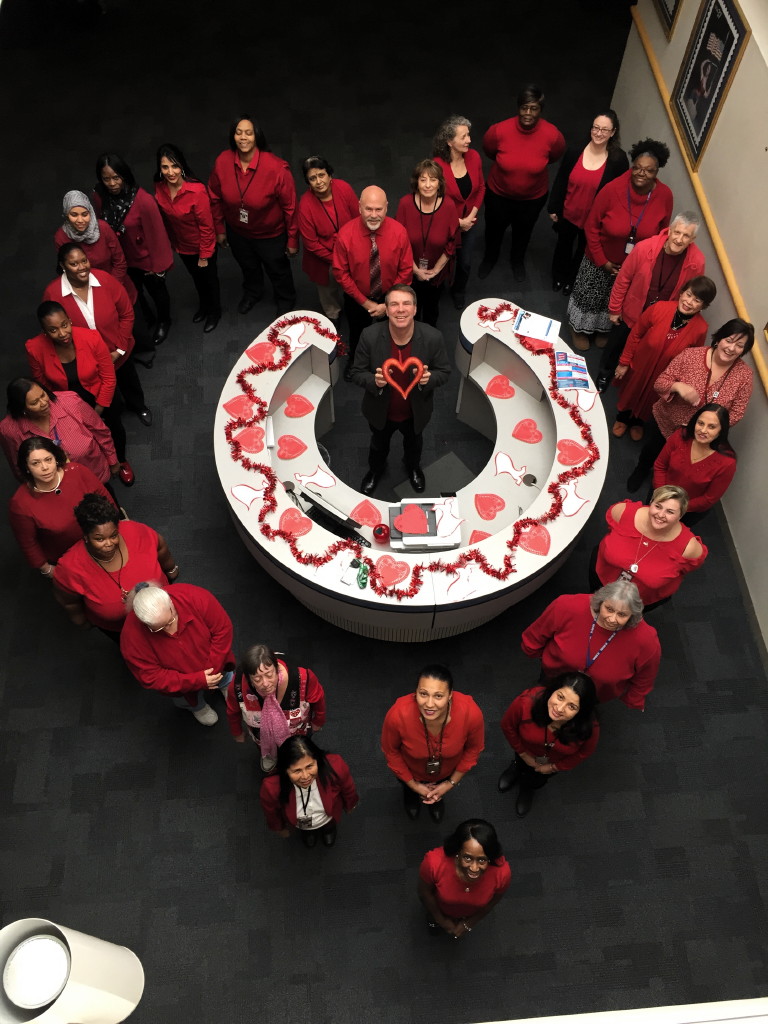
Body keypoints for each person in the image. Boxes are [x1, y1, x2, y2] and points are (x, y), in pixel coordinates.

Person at [567, 138, 673, 351]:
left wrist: (638, 265)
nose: (641, 174)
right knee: (590, 295)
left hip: (632, 265)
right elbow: (591, 226)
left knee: (615, 299)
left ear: (657, 172)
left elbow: (662, 234)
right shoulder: (612, 189)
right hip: (600, 258)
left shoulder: (664, 196)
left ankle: (601, 329)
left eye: (649, 170)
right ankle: (577, 328)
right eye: (637, 168)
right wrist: (602, 261)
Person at [627, 318, 755, 492]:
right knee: (651, 451)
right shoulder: (691, 355)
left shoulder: (744, 376)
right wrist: (678, 387)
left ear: (744, 351)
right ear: (719, 339)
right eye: (729, 340)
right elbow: (660, 383)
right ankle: (641, 470)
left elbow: (737, 412)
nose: (732, 348)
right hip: (667, 422)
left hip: (698, 437)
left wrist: (711, 427)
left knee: (677, 468)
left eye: (740, 345)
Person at [350, 285, 451, 495]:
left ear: (415, 309)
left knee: (414, 445)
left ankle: (413, 468)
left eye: (406, 303)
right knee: (378, 445)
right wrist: (373, 381)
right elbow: (356, 372)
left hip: (416, 412)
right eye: (394, 304)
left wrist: (429, 379)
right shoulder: (369, 336)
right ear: (386, 310)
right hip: (380, 411)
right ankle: (375, 471)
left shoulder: (433, 337)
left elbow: (444, 372)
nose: (400, 309)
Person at [25, 301, 134, 486]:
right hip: (67, 405)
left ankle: (120, 461)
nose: (62, 333)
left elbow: (108, 376)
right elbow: (42, 385)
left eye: (64, 325)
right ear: (44, 331)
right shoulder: (34, 348)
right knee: (77, 443)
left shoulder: (91, 337)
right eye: (53, 330)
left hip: (100, 396)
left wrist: (98, 410)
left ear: (69, 320)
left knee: (113, 428)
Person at [43, 244, 152, 425]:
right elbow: (51, 330)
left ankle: (139, 407)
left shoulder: (105, 280)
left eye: (84, 261)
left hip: (118, 350)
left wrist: (119, 350)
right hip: (88, 361)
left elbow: (126, 314)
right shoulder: (53, 294)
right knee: (102, 394)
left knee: (129, 381)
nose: (82, 267)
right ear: (63, 266)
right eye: (74, 264)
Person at [597, 213, 706, 391]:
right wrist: (615, 308)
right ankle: (604, 374)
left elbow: (692, 294)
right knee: (615, 346)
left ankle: (626, 384)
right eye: (677, 232)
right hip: (632, 311)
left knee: (643, 353)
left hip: (660, 321)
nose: (679, 239)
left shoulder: (697, 262)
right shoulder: (644, 248)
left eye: (686, 236)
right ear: (669, 230)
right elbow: (623, 278)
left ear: (692, 239)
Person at [208, 114, 298, 317]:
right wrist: (220, 228)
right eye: (238, 132)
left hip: (271, 234)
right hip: (238, 232)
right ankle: (253, 292)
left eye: (248, 133)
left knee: (278, 270)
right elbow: (214, 196)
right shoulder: (223, 161)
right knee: (248, 267)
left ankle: (285, 299)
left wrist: (292, 238)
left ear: (257, 136)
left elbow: (290, 208)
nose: (243, 137)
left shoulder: (277, 169)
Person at [520, 581, 661, 709]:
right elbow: (536, 635)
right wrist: (539, 656)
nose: (612, 619)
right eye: (609, 609)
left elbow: (645, 676)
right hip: (552, 679)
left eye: (622, 615)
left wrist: (634, 699)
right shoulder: (567, 605)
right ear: (600, 602)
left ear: (632, 615)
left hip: (593, 695)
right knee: (539, 706)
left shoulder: (646, 639)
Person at [54, 494, 177, 639]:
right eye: (99, 539)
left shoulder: (135, 531)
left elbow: (161, 547)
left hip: (162, 613)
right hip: (121, 630)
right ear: (86, 537)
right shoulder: (70, 567)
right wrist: (82, 622)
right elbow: (69, 601)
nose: (109, 543)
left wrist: (171, 569)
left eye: (113, 535)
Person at [612, 276, 716, 441]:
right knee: (631, 391)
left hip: (665, 375)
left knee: (652, 399)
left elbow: (691, 358)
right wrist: (624, 362)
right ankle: (622, 418)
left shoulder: (701, 329)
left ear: (703, 306)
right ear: (682, 293)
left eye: (697, 300)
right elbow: (636, 334)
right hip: (640, 364)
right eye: (688, 295)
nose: (689, 302)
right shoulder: (659, 308)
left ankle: (638, 422)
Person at [480, 83, 565, 282]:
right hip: (498, 195)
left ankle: (516, 260)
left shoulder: (553, 136)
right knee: (493, 230)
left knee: (523, 232)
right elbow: (489, 151)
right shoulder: (499, 131)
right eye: (524, 108)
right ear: (518, 108)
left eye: (533, 108)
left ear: (540, 110)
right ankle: (489, 258)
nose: (528, 113)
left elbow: (554, 157)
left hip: (532, 199)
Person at [381, 663, 484, 823]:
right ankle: (411, 796)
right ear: (415, 693)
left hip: (447, 772)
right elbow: (391, 751)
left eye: (438, 696)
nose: (429, 704)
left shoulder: (470, 713)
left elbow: (473, 750)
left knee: (438, 792)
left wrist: (449, 784)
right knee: (409, 792)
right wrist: (414, 786)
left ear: (450, 695)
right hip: (410, 772)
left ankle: (437, 798)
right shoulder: (398, 714)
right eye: (423, 694)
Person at [120, 582, 234, 726]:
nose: (171, 630)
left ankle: (226, 686)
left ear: (171, 603)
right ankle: (198, 707)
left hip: (217, 664)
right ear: (144, 623)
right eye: (160, 628)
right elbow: (152, 677)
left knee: (225, 676)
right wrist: (196, 680)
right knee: (187, 699)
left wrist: (213, 668)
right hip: (181, 685)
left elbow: (222, 630)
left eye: (171, 619)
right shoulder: (131, 639)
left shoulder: (195, 596)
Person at [332, 185, 413, 380]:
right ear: (359, 207)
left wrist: (388, 304)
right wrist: (365, 303)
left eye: (379, 209)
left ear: (387, 207)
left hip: (391, 298)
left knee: (392, 333)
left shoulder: (399, 233)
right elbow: (341, 273)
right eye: (369, 209)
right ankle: (356, 362)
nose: (374, 215)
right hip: (358, 299)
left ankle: (389, 361)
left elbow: (406, 270)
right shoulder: (345, 235)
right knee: (357, 333)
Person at [93, 153, 174, 345]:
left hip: (145, 259)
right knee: (133, 292)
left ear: (124, 176)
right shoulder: (99, 196)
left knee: (157, 291)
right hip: (122, 259)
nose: (112, 183)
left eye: (116, 178)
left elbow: (157, 236)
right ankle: (147, 317)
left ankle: (164, 321)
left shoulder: (142, 200)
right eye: (106, 179)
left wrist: (158, 267)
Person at [8, 438, 116, 577]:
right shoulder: (20, 503)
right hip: (68, 557)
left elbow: (106, 500)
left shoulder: (78, 472)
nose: (45, 467)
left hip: (102, 543)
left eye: (48, 459)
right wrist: (47, 570)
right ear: (27, 467)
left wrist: (115, 529)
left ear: (56, 459)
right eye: (36, 463)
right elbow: (28, 543)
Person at [547, 109, 628, 295]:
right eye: (596, 128)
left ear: (613, 132)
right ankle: (558, 276)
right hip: (569, 212)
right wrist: (554, 206)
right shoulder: (575, 151)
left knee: (583, 251)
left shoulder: (618, 160)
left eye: (605, 130)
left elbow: (618, 193)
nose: (599, 133)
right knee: (563, 246)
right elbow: (561, 179)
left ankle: (571, 280)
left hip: (593, 220)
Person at [498, 673, 599, 816]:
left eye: (571, 706)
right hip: (524, 752)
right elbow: (507, 726)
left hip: (552, 763)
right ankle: (515, 768)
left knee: (537, 780)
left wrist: (554, 767)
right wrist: (523, 754)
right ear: (552, 691)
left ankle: (528, 789)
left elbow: (584, 753)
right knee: (520, 764)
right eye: (560, 697)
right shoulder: (526, 703)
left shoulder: (589, 728)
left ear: (581, 711)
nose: (559, 709)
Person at [593, 486, 707, 608]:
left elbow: (687, 568)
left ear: (680, 516)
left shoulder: (688, 548)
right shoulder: (623, 512)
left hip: (639, 600)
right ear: (651, 503)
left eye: (670, 512)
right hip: (602, 578)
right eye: (658, 506)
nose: (661, 515)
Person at [226, 642, 327, 773]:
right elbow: (233, 711)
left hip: (297, 732)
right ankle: (269, 755)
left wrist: (318, 721)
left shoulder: (302, 677)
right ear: (249, 678)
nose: (265, 684)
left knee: (299, 753)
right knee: (265, 748)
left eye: (269, 675)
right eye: (257, 679)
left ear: (277, 667)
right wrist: (237, 732)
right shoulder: (237, 685)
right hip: (262, 736)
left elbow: (318, 699)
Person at [0, 379, 120, 487]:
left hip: (94, 474)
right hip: (55, 487)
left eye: (43, 395)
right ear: (22, 409)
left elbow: (100, 431)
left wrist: (113, 461)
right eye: (34, 402)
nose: (43, 403)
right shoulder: (9, 430)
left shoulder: (70, 401)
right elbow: (19, 467)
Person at [154, 142, 221, 333]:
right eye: (165, 167)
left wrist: (204, 256)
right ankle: (204, 307)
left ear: (182, 166)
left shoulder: (196, 191)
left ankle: (214, 312)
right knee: (197, 280)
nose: (170, 172)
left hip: (202, 247)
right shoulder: (160, 188)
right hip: (182, 246)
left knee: (209, 281)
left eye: (174, 166)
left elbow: (207, 227)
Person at [259, 735, 358, 848]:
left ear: (317, 761)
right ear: (285, 770)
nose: (305, 776)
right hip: (301, 824)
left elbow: (348, 788)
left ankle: (328, 830)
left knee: (329, 826)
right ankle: (308, 832)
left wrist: (351, 804)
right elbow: (271, 812)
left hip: (328, 816)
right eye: (297, 771)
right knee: (307, 832)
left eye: (310, 766)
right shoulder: (271, 787)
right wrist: (279, 828)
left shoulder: (335, 766)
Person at [417, 819, 510, 938]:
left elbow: (492, 902)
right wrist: (441, 920)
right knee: (432, 921)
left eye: (482, 860)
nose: (474, 868)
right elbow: (424, 893)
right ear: (458, 852)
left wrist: (469, 923)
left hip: (467, 914)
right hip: (438, 910)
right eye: (467, 858)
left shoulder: (502, 873)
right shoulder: (434, 863)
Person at [395, 159, 459, 327]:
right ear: (417, 183)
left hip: (436, 274)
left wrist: (436, 270)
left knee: (432, 309)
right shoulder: (405, 204)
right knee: (410, 309)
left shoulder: (449, 206)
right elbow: (399, 243)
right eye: (423, 180)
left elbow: (452, 243)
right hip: (409, 271)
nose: (428, 185)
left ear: (440, 184)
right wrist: (415, 270)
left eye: (433, 179)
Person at [297, 155, 359, 326]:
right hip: (324, 260)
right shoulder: (305, 205)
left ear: (330, 175)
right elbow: (311, 244)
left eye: (321, 175)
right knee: (328, 291)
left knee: (355, 285)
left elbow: (358, 219)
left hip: (351, 251)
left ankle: (354, 308)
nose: (318, 182)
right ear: (308, 182)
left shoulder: (344, 188)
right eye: (312, 178)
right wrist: (337, 260)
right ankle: (334, 314)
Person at [432, 114, 486, 308]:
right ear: (449, 141)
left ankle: (459, 290)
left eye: (469, 135)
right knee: (440, 259)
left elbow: (481, 188)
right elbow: (434, 199)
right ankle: (436, 290)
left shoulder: (474, 157)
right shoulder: (437, 166)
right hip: (445, 224)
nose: (469, 140)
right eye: (463, 137)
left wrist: (471, 215)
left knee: (465, 263)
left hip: (469, 223)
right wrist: (457, 221)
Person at [653, 404, 737, 527]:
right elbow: (660, 466)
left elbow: (709, 498)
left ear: (721, 431)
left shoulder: (727, 463)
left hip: (687, 510)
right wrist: (661, 496)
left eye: (711, 427)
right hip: (660, 494)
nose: (703, 430)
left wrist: (675, 508)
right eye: (700, 423)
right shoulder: (680, 436)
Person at [53, 190, 130, 294]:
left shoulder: (103, 228)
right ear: (67, 215)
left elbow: (120, 263)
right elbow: (68, 270)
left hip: (115, 285)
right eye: (74, 215)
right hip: (86, 290)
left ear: (91, 213)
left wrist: (110, 289)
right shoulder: (61, 237)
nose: (80, 220)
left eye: (84, 214)